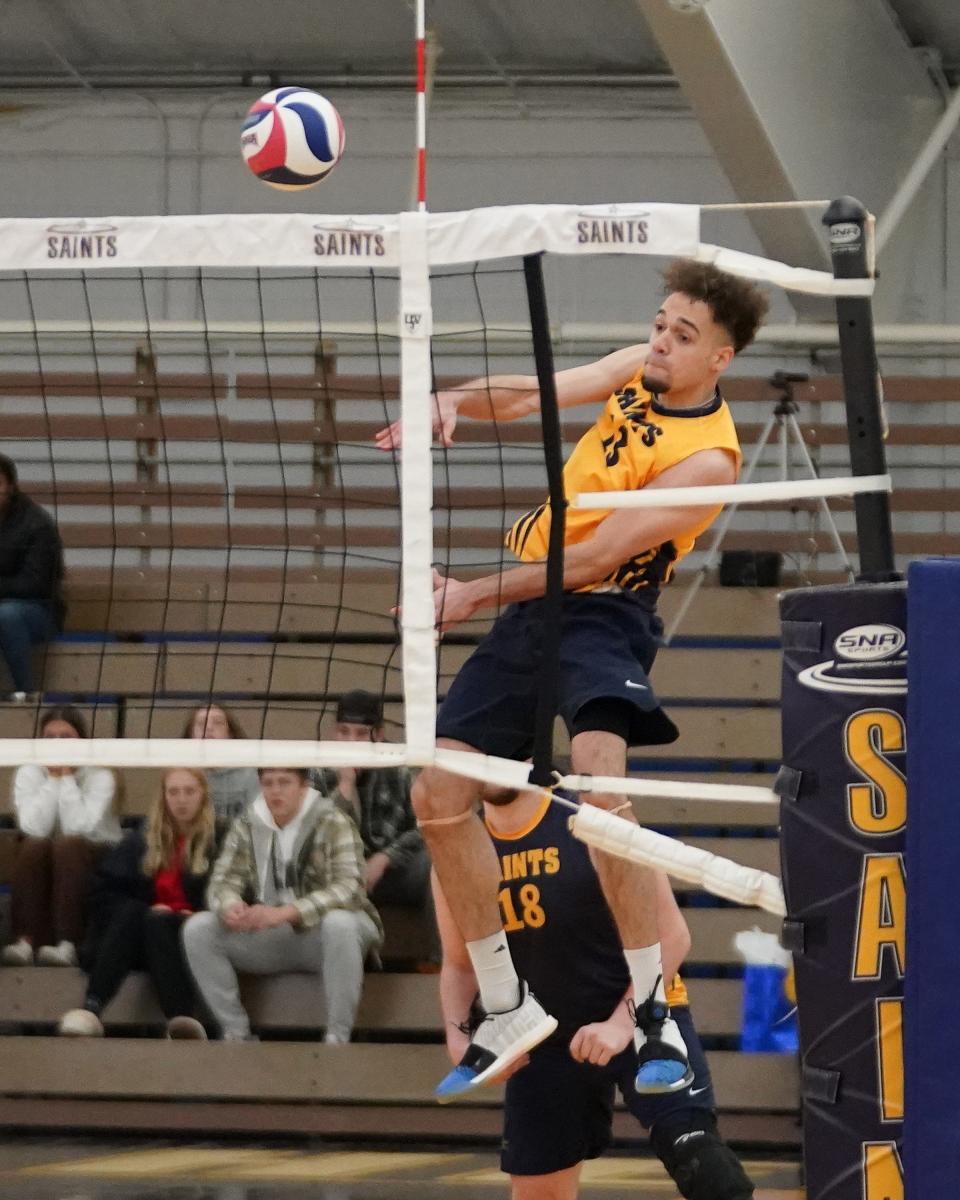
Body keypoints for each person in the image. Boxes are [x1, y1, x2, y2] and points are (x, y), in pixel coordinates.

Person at [377, 260, 769, 1094]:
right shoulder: (641, 367)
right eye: (661, 323)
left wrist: (468, 594)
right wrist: (452, 401)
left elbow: (589, 559)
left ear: (720, 361)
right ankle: (505, 997)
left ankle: (653, 1006)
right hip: (533, 611)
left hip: (606, 613)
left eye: (683, 335)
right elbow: (529, 396)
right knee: (437, 794)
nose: (662, 341)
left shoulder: (709, 462)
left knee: (598, 781)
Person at [434, 786, 755, 1199]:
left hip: (642, 1013)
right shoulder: (459, 848)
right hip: (544, 1034)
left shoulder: (595, 813)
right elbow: (460, 965)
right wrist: (459, 1040)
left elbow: (672, 935)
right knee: (539, 1191)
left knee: (702, 1164)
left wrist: (621, 1025)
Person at [182, 767, 383, 1044]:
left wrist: (287, 912)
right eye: (268, 783)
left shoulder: (333, 820)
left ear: (303, 787)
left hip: (325, 936)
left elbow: (349, 888)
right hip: (274, 935)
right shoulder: (248, 824)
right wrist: (230, 906)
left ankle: (338, 1036)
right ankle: (236, 1032)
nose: (275, 791)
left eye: (284, 783)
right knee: (198, 928)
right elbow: (222, 881)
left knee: (340, 923)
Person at [57, 767, 221, 1039]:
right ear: (164, 796)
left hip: (192, 938)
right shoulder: (142, 840)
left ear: (204, 795)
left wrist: (188, 915)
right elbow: (105, 893)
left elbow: (231, 895)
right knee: (136, 913)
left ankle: (182, 1019)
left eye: (189, 791)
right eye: (174, 792)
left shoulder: (221, 840)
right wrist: (148, 911)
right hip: (138, 938)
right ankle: (90, 1009)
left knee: (156, 921)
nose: (181, 799)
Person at [311, 689, 437, 963]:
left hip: (390, 875)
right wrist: (345, 786)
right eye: (344, 732)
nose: (350, 741)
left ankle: (443, 964)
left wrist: (385, 857)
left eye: (359, 733)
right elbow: (320, 837)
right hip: (337, 874)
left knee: (435, 863)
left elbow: (427, 824)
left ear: (378, 735)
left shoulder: (400, 768)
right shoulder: (318, 771)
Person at [2, 706, 120, 967]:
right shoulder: (29, 772)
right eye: (49, 737)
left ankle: (69, 944)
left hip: (97, 857)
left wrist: (64, 776)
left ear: (81, 741)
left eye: (65, 737)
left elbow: (78, 826)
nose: (57, 744)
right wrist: (53, 779)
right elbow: (33, 827)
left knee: (68, 845)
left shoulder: (101, 775)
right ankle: (25, 942)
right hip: (47, 857)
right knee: (33, 846)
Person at [0, 453, 65, 698]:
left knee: (6, 615)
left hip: (39, 612)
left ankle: (25, 695)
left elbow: (36, 585)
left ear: (11, 487)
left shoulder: (37, 524)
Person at [183, 704, 260, 821]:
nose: (209, 728)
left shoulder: (250, 774)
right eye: (201, 724)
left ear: (230, 734)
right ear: (191, 734)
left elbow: (257, 823)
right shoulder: (179, 774)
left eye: (217, 723)